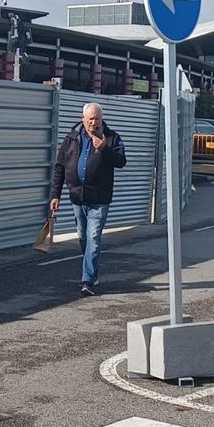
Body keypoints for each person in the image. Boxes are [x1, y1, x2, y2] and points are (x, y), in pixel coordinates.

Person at [50, 102, 127, 296]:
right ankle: (91, 271)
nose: (94, 123)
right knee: (83, 237)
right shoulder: (71, 138)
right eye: (91, 119)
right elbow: (60, 166)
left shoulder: (111, 138)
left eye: (97, 119)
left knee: (93, 237)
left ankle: (87, 280)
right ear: (83, 118)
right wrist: (55, 195)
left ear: (102, 119)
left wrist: (104, 149)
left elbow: (121, 162)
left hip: (99, 199)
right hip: (78, 197)